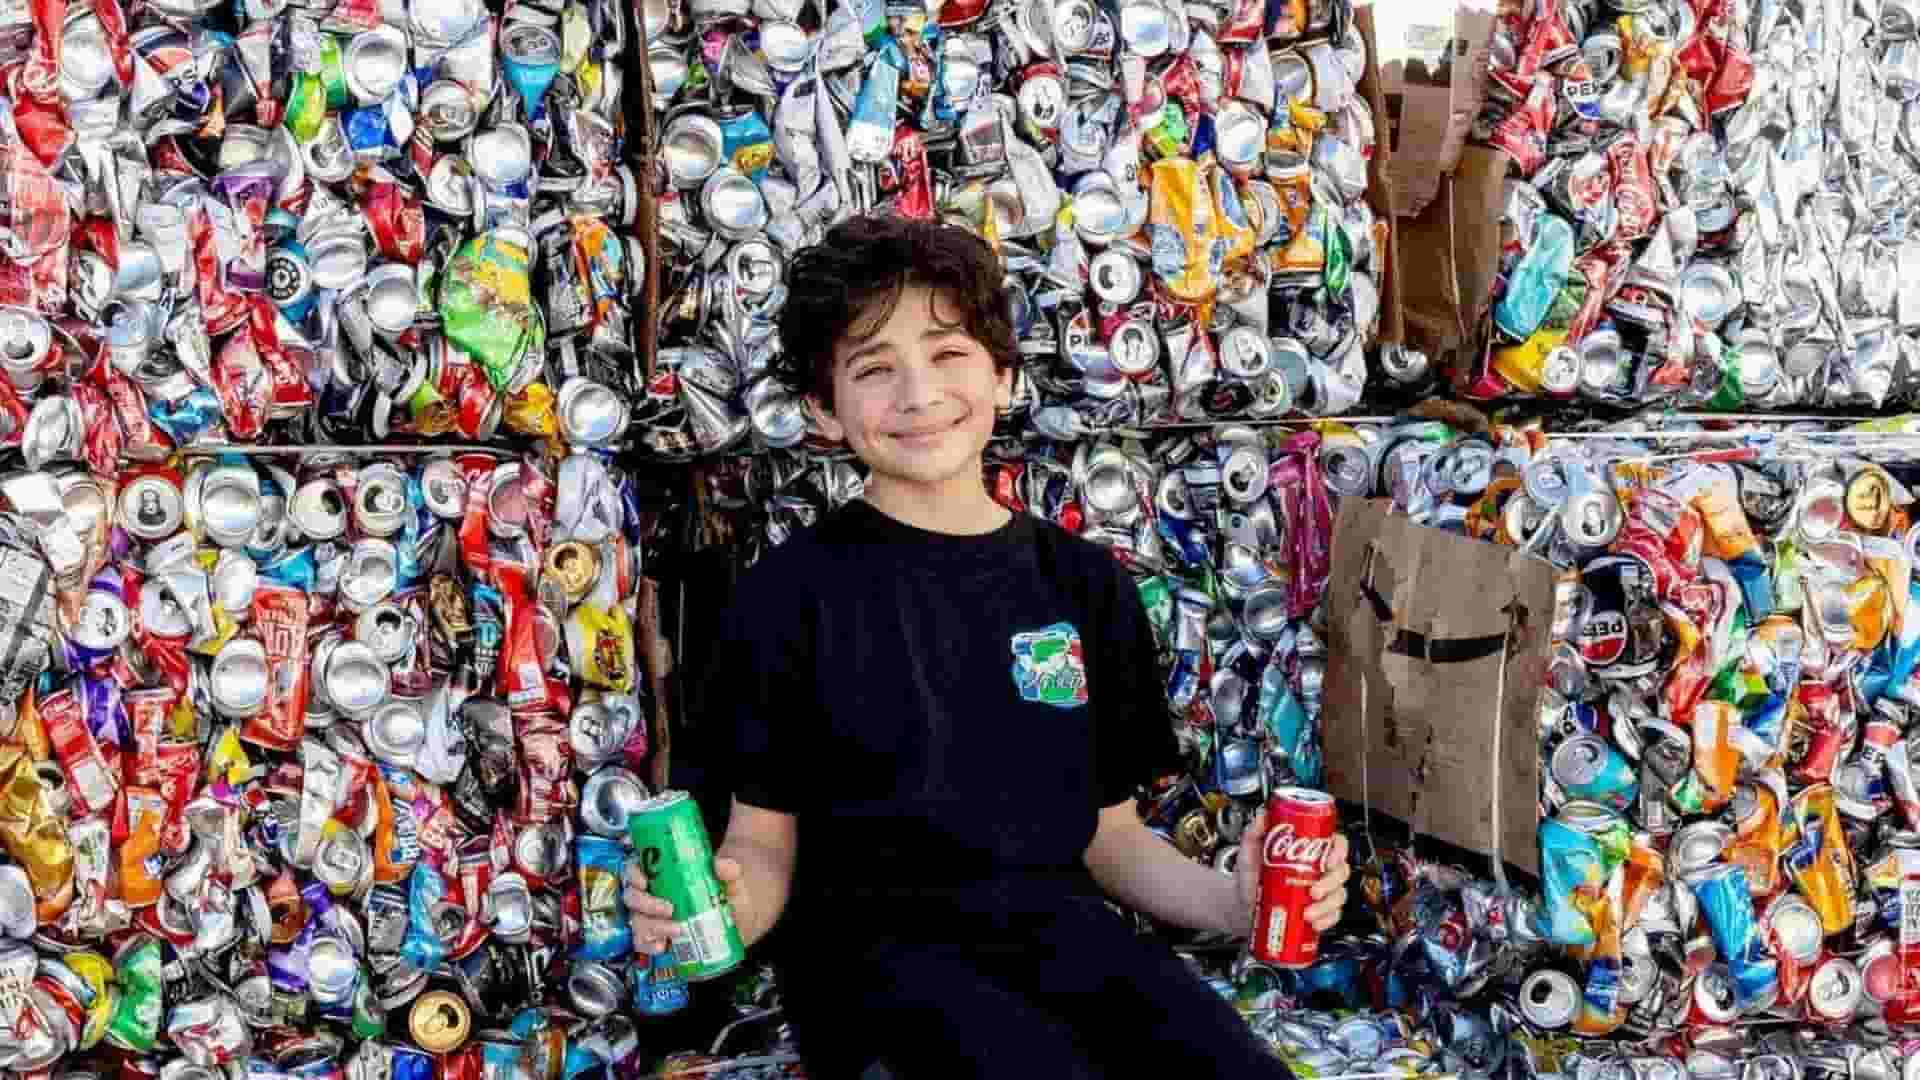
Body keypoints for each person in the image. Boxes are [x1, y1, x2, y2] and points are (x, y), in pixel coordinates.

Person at [624, 215, 1351, 1078]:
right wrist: (719, 916)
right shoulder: (786, 596)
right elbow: (764, 847)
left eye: (947, 353)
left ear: (1003, 374)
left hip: (1066, 936)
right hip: (874, 965)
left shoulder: (1085, 585)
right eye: (872, 369)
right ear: (823, 408)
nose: (917, 395)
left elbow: (1107, 837)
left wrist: (1235, 899)